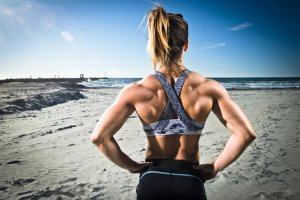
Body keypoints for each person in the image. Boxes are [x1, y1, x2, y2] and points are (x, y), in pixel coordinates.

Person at [90, 5, 256, 200]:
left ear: (154, 46)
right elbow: (245, 134)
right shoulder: (208, 88)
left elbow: (99, 138)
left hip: (152, 178)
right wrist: (215, 168)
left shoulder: (136, 91)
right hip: (189, 178)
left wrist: (131, 166)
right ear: (186, 44)